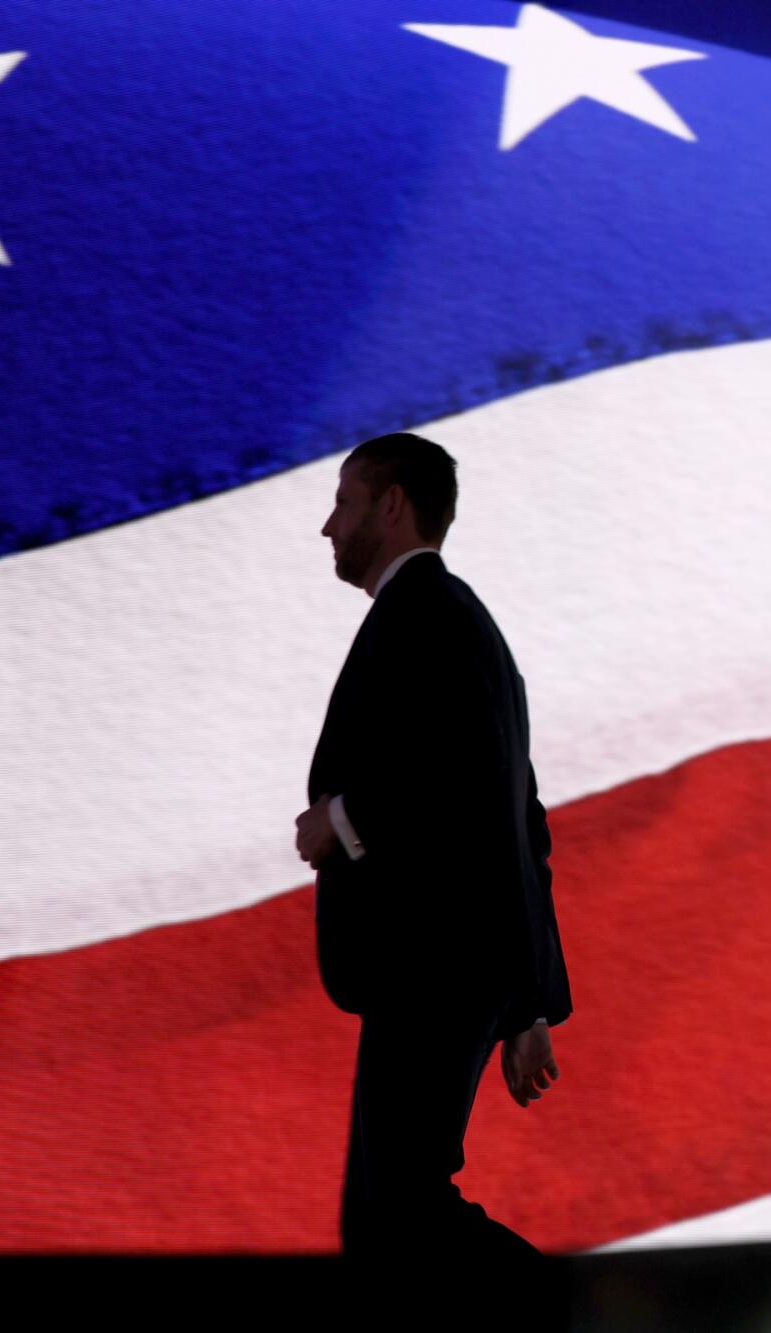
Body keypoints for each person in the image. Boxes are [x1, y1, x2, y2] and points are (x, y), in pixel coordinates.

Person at [295, 431, 572, 1308]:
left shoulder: (429, 616)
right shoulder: (449, 620)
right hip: (447, 966)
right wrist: (526, 1000)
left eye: (343, 500)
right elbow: (513, 818)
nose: (327, 525)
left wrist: (339, 821)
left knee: (404, 1207)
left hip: (435, 963)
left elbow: (457, 780)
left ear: (391, 503)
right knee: (379, 1220)